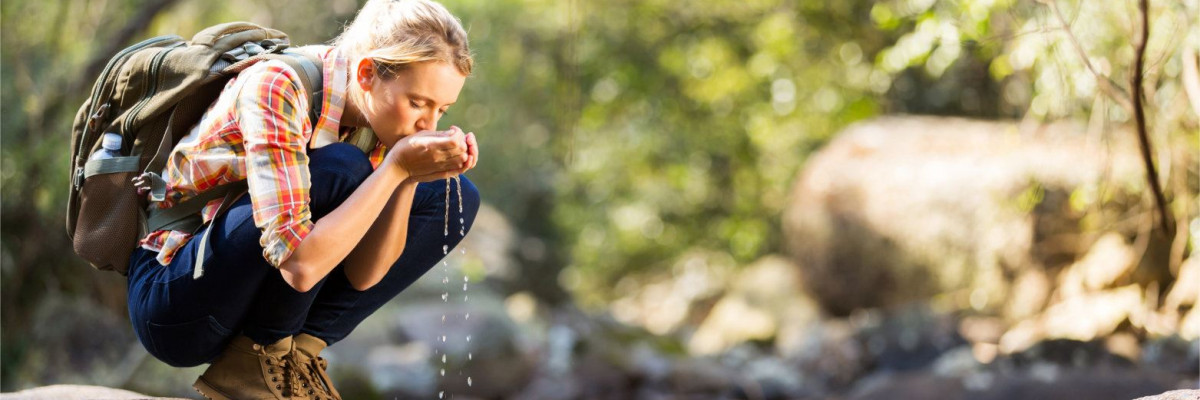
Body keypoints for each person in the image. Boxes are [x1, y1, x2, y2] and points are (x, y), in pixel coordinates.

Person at [124, 0, 480, 398]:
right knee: (344, 168)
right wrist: (395, 168)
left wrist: (411, 178)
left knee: (454, 194)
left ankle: (294, 355)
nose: (427, 125)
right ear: (366, 74)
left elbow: (363, 277)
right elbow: (301, 268)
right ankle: (264, 352)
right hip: (176, 300)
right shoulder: (279, 85)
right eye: (417, 103)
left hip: (249, 297)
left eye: (442, 109)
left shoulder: (378, 121)